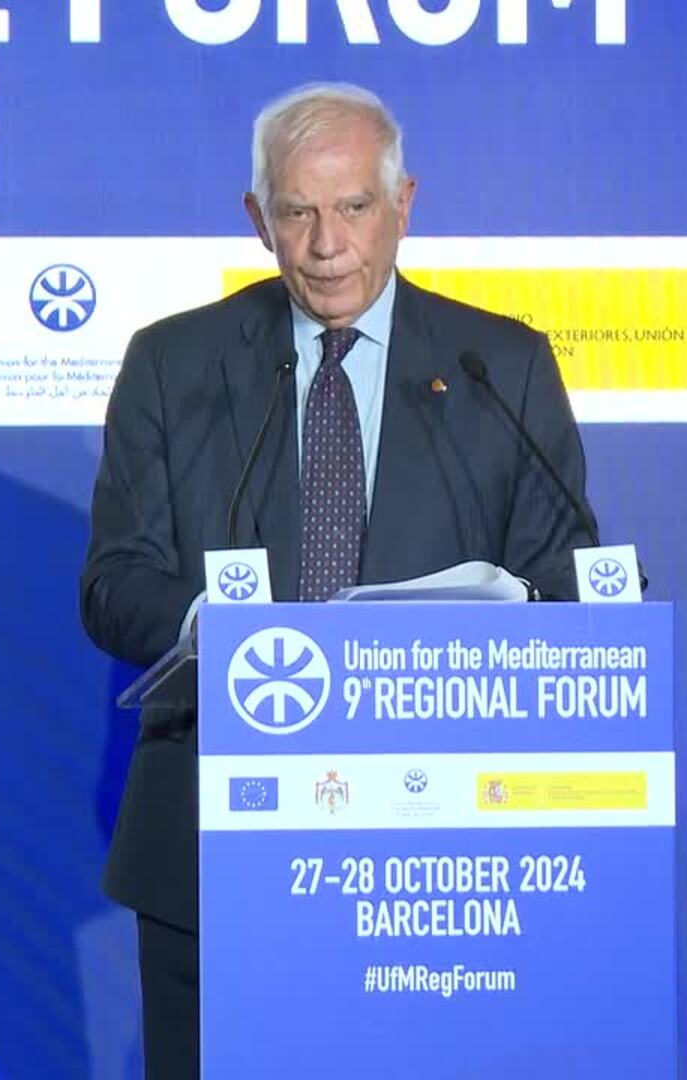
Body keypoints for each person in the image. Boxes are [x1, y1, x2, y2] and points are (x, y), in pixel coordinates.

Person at [79, 81, 596, 1079]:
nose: (326, 244)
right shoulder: (173, 364)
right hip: (214, 842)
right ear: (257, 218)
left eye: (354, 207)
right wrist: (224, 630)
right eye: (297, 212)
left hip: (437, 855)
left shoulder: (501, 367)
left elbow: (563, 580)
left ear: (404, 204)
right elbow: (113, 582)